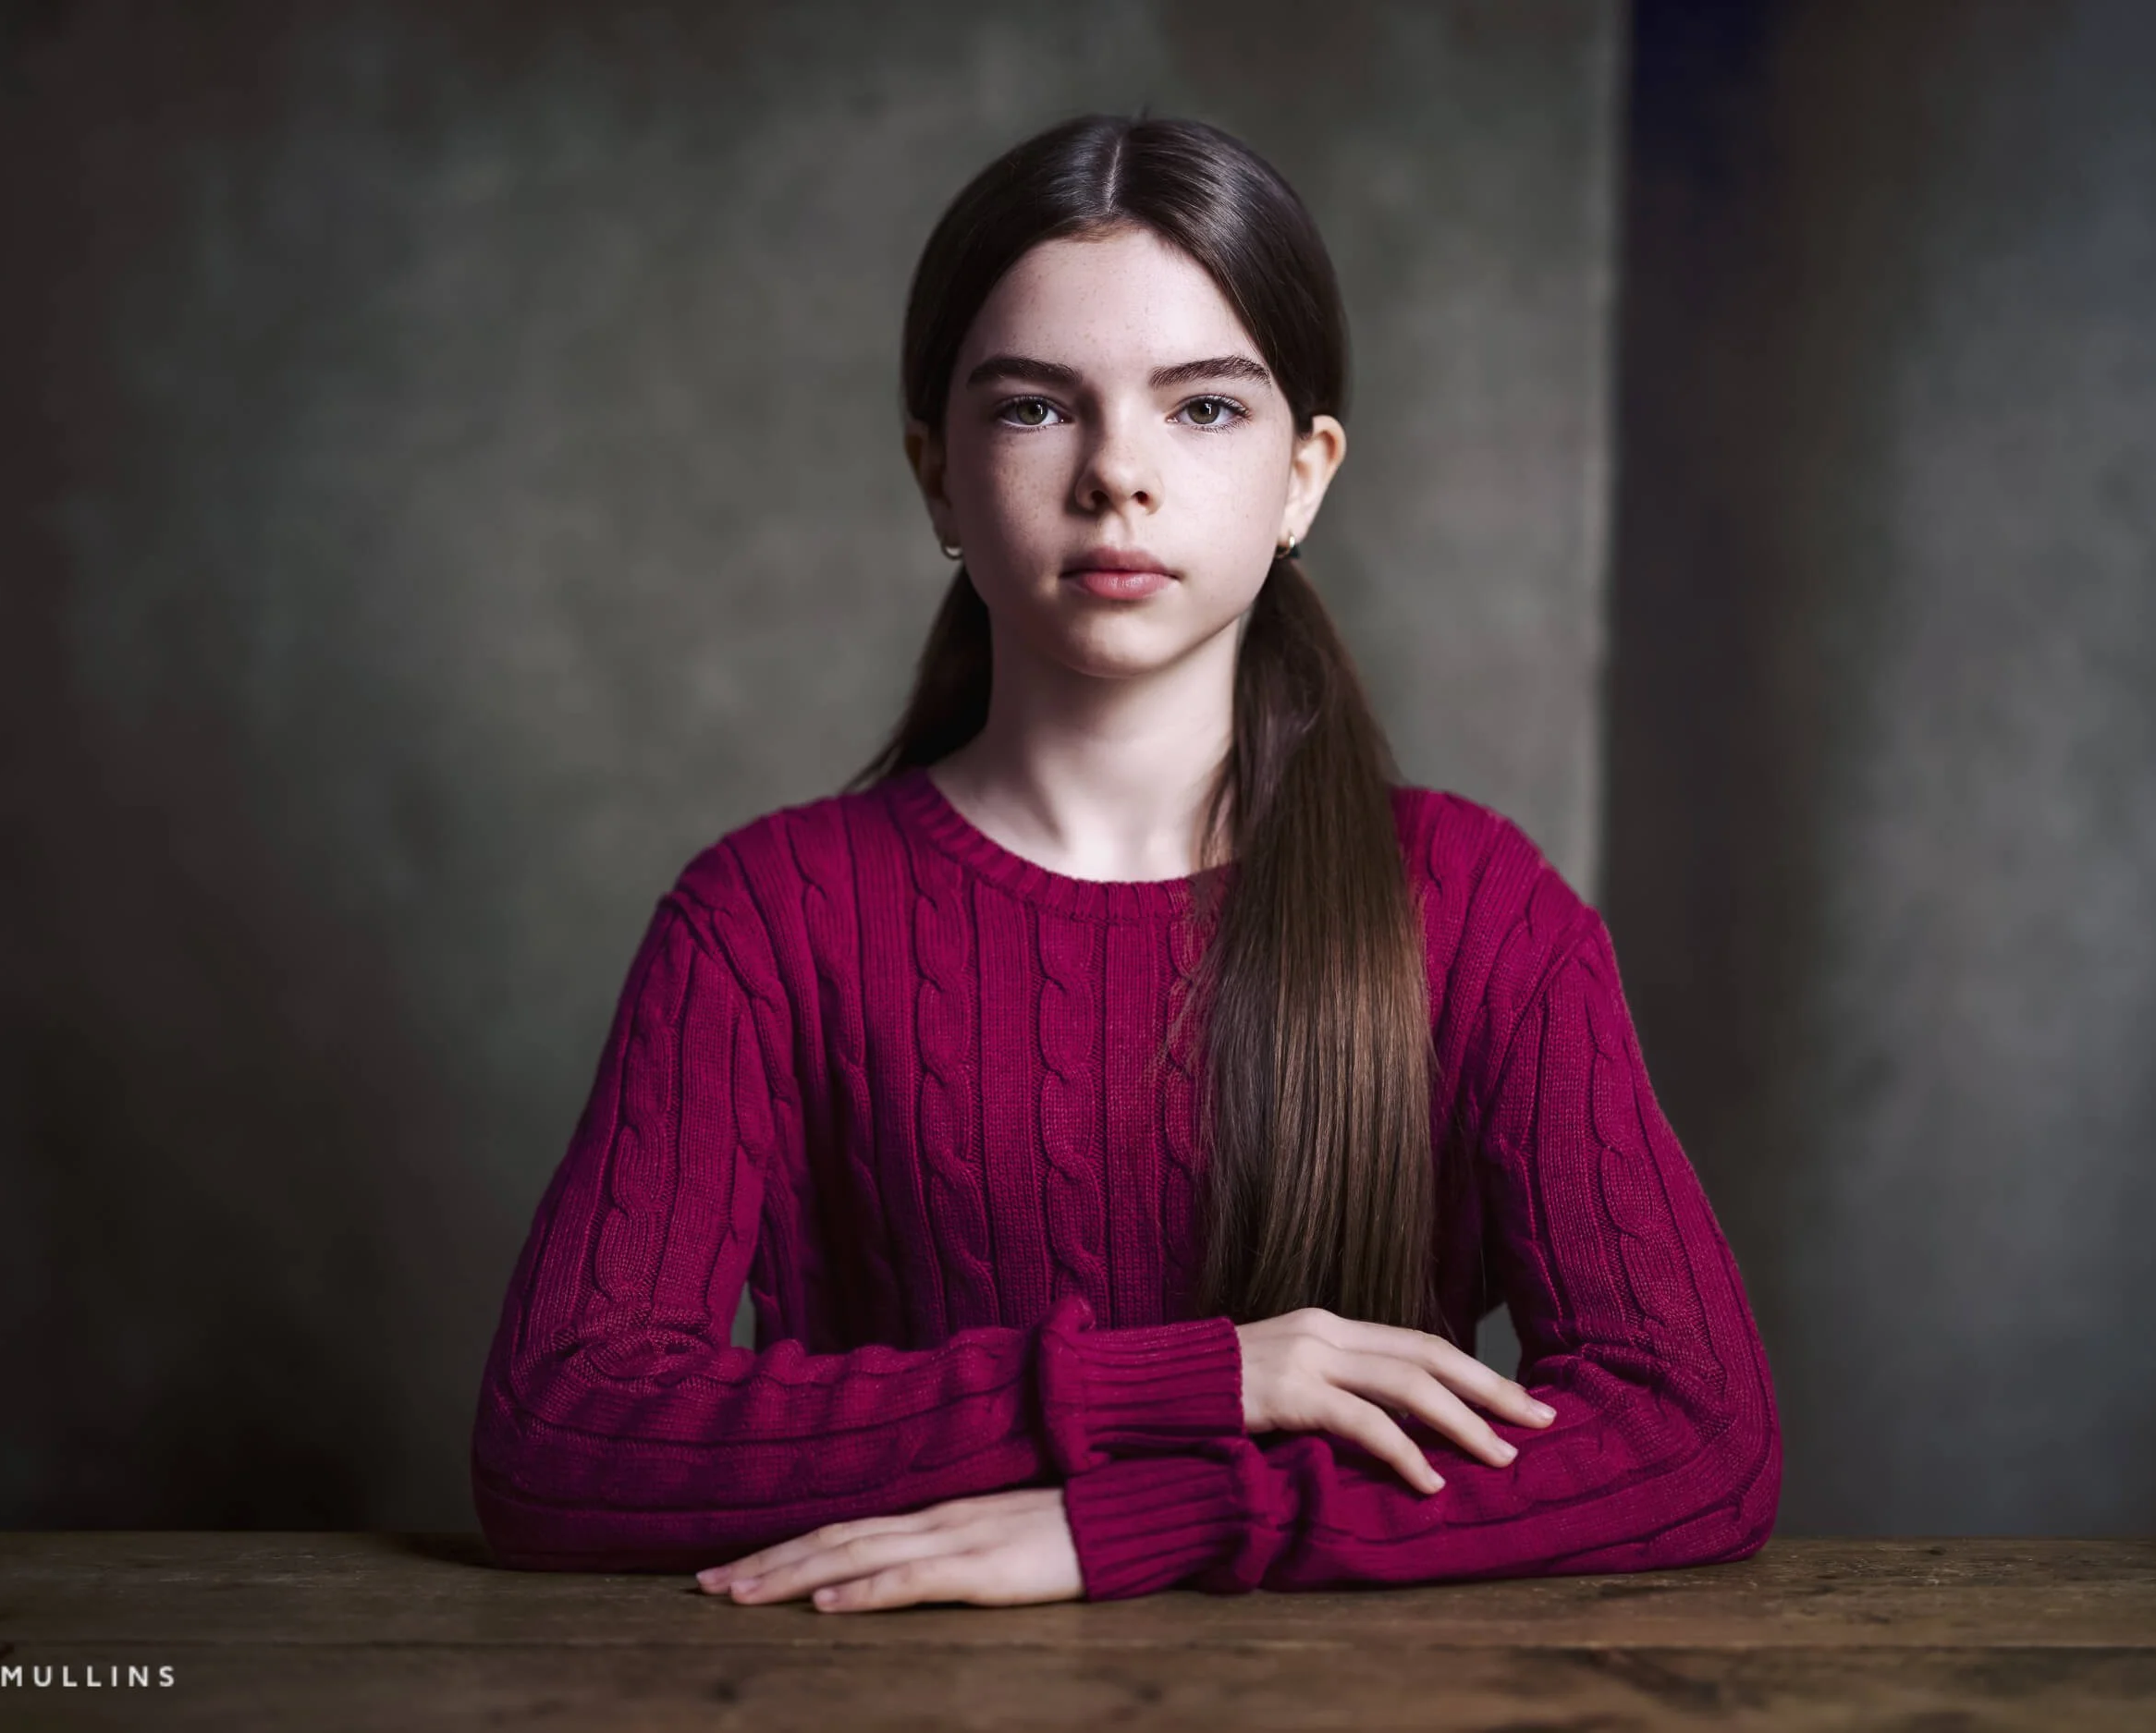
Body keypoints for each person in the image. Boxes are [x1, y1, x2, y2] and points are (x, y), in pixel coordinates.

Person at [468, 112, 1781, 1612]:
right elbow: (559, 1432)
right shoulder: (763, 922)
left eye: (1206, 409)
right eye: (1035, 408)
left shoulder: (1479, 910)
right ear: (937, 476)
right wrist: (1180, 1383)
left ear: (1305, 474)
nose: (1118, 477)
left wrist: (1138, 1524)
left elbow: (1697, 1431)